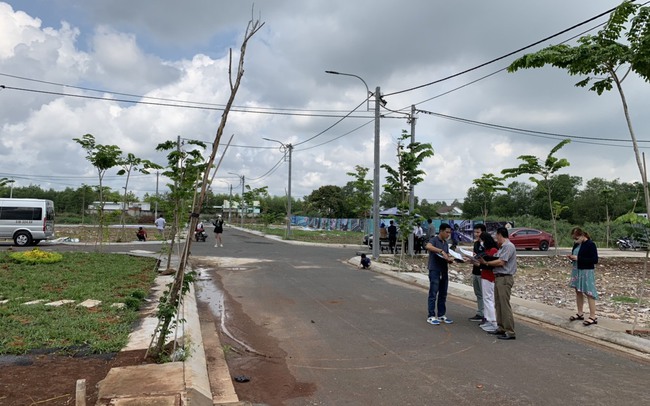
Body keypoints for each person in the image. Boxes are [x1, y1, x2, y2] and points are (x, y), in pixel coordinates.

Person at [479, 227, 517, 340]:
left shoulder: (508, 246)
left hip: (505, 278)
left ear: (500, 235)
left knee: (504, 306)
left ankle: (510, 331)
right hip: (499, 278)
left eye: (497, 236)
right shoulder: (502, 247)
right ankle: (501, 328)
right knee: (498, 304)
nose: (496, 238)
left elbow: (501, 262)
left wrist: (486, 263)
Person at [567, 227, 599, 326]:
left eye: (576, 238)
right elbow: (576, 255)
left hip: (586, 271)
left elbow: (594, 260)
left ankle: (593, 316)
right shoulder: (577, 244)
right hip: (577, 270)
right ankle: (580, 313)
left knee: (589, 292)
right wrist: (572, 258)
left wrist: (579, 258)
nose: (575, 241)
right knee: (578, 291)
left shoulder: (590, 244)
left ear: (582, 236)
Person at [425, 223, 455, 325]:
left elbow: (446, 255)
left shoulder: (445, 243)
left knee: (443, 293)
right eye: (446, 232)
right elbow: (428, 246)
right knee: (433, 293)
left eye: (449, 233)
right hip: (435, 270)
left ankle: (441, 314)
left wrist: (449, 259)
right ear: (441, 231)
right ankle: (431, 316)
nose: (448, 234)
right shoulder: (434, 240)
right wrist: (441, 251)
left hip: (444, 270)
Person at [477, 232, 499, 333]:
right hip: (485, 276)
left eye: (482, 240)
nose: (481, 242)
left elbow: (491, 264)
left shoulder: (493, 250)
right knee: (487, 299)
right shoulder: (487, 250)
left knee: (489, 299)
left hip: (489, 277)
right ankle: (487, 319)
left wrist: (483, 262)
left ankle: (493, 321)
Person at [467, 223, 485, 322]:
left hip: (483, 273)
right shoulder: (476, 244)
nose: (476, 234)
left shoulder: (487, 244)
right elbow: (475, 257)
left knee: (484, 294)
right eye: (475, 232)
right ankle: (480, 313)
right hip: (475, 271)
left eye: (478, 232)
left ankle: (485, 315)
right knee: (478, 293)